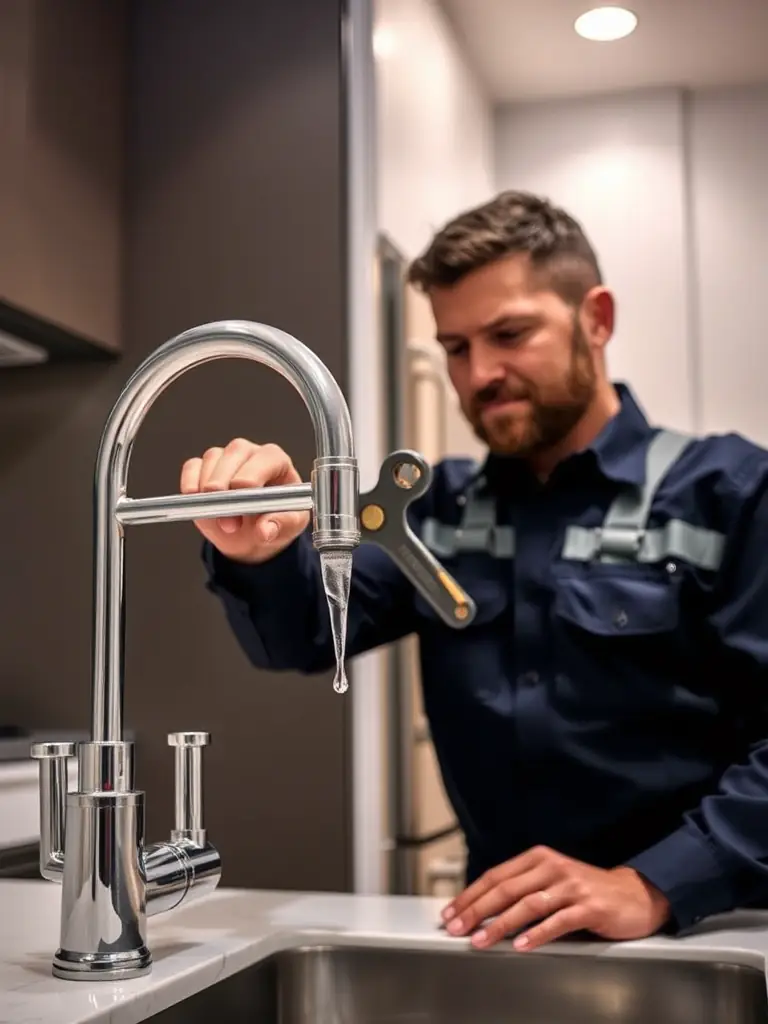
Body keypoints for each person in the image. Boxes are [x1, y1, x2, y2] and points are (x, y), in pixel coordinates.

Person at [181, 190, 768, 954]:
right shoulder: (436, 512)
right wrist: (257, 550)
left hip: (699, 934)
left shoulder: (731, 493)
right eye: (455, 348)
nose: (480, 372)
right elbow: (299, 637)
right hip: (501, 941)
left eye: (510, 333)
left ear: (597, 317)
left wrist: (655, 883)